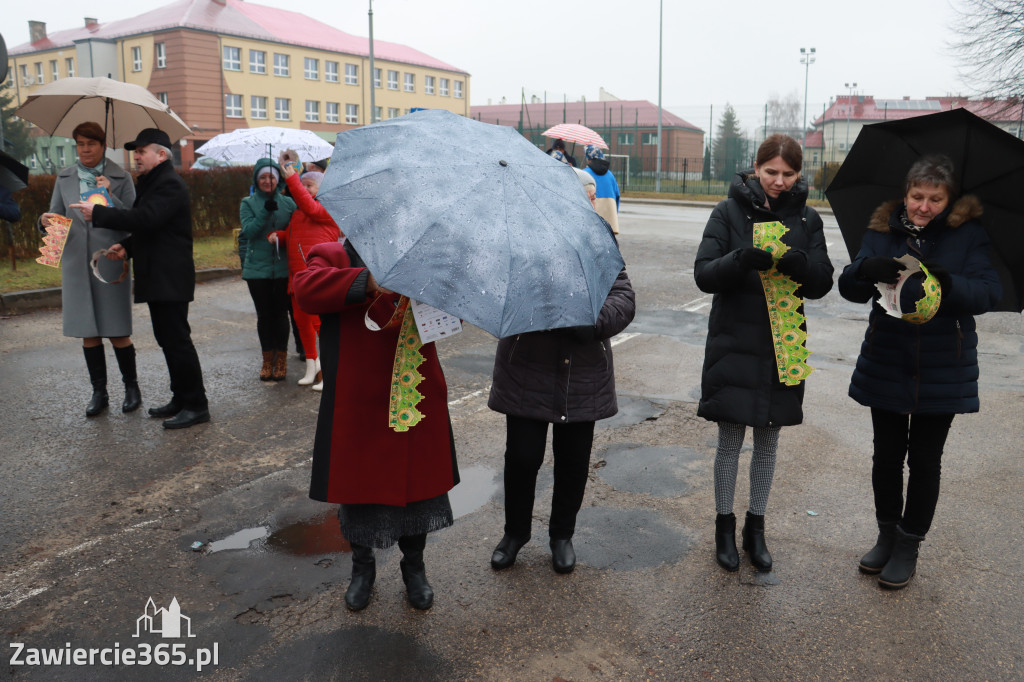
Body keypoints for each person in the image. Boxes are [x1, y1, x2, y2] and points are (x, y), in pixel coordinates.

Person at [838, 154, 1001, 590]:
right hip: (887, 356)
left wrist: (950, 283)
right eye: (916, 196)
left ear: (948, 201)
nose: (923, 207)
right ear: (905, 194)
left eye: (935, 198)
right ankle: (886, 534)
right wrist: (864, 270)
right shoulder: (881, 231)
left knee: (926, 461)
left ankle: (909, 544)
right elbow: (850, 287)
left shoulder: (968, 235)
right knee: (886, 456)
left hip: (943, 362)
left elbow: (989, 292)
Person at [292, 240, 459, 611]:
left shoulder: (422, 257)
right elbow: (305, 290)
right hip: (358, 399)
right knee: (359, 488)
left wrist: (445, 291)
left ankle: (414, 568)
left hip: (414, 389)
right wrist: (367, 281)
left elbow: (450, 316)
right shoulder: (333, 254)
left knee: (418, 487)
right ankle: (362, 567)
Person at [694, 134, 833, 573]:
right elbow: (703, 273)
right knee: (730, 441)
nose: (778, 181)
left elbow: (823, 281)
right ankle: (723, 525)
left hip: (782, 346)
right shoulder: (727, 211)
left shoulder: (808, 220)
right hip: (735, 341)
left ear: (798, 175)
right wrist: (739, 259)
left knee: (769, 441)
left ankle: (756, 527)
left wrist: (801, 266)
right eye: (770, 172)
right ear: (755, 167)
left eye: (788, 174)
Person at [487, 171, 636, 575]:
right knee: (522, 457)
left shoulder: (599, 237)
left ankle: (561, 536)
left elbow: (623, 294)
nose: (582, 205)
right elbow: (497, 286)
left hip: (583, 369)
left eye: (588, 199)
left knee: (573, 461)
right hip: (527, 366)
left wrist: (594, 323)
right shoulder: (522, 234)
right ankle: (515, 533)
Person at [71, 128, 210, 430]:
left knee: (177, 342)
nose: (136, 157)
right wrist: (128, 246)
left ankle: (197, 405)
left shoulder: (169, 184)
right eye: (134, 152)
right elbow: (153, 227)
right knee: (168, 341)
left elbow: (146, 219)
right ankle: (181, 398)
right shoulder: (153, 183)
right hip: (158, 275)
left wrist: (100, 212)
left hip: (169, 277)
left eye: (141, 151)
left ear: (161, 154)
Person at [38, 121, 140, 417]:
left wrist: (112, 193)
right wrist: (44, 222)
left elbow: (134, 219)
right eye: (80, 144)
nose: (85, 149)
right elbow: (55, 214)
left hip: (109, 258)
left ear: (103, 146)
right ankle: (99, 392)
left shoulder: (121, 177)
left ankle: (131, 387)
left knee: (117, 329)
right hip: (74, 261)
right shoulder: (65, 177)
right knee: (88, 330)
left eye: (91, 144)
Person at [271, 164, 341, 391]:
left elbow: (311, 209)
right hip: (297, 278)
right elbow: (295, 234)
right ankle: (312, 366)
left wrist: (292, 179)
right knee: (302, 325)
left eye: (308, 185)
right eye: (302, 185)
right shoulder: (299, 213)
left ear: (322, 189)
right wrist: (279, 236)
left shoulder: (327, 209)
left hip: (317, 277)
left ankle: (330, 371)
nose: (303, 189)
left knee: (321, 326)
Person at [239, 159, 295, 381]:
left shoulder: (289, 204)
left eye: (271, 177)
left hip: (283, 269)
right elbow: (250, 232)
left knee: (281, 315)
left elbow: (295, 232)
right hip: (257, 271)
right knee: (264, 316)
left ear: (278, 179)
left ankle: (281, 360)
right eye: (262, 177)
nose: (267, 181)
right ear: (256, 179)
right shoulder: (248, 203)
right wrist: (265, 211)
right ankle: (267, 361)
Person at [583, 145, 621, 235]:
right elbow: (617, 196)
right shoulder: (610, 175)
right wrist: (614, 215)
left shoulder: (584, 174)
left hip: (591, 219)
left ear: (588, 158)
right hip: (610, 218)